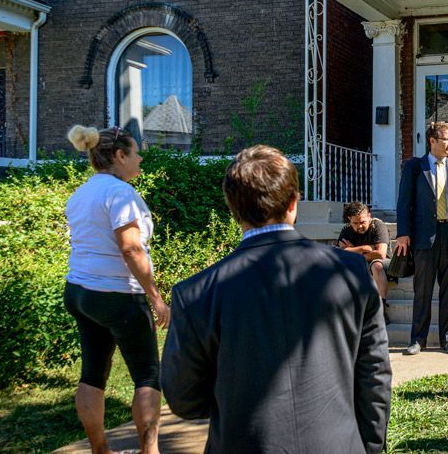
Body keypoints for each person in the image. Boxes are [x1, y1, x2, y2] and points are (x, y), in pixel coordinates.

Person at [161, 145, 391, 454]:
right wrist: (370, 447)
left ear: (232, 208)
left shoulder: (196, 293)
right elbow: (374, 377)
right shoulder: (350, 272)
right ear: (294, 204)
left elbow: (183, 398)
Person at [64, 125, 168, 454]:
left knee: (93, 373)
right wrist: (155, 296)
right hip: (117, 295)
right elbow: (131, 249)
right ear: (119, 156)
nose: (140, 158)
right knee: (148, 375)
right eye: (135, 152)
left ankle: (100, 451)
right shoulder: (121, 193)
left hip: (80, 292)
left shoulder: (80, 193)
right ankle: (149, 452)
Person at [394, 121, 448, 356]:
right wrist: (403, 234)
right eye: (447, 139)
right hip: (425, 236)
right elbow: (404, 202)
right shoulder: (415, 166)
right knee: (422, 291)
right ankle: (418, 340)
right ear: (432, 141)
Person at [338, 201, 391, 323]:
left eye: (362, 222)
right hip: (361, 264)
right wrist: (364, 249)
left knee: (376, 265)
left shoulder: (378, 225)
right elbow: (340, 254)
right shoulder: (347, 229)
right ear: (349, 220)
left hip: (385, 263)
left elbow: (381, 254)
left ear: (369, 216)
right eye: (355, 223)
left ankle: (381, 309)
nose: (359, 226)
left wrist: (352, 251)